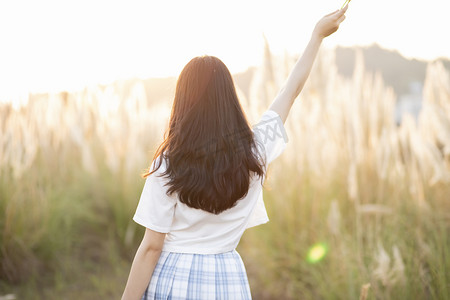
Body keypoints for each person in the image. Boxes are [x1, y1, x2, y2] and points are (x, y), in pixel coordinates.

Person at [122, 5, 348, 300]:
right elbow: (290, 91)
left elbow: (151, 247)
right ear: (230, 99)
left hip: (173, 275)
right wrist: (316, 36)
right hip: (227, 277)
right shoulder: (255, 149)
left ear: (182, 102)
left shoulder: (168, 162)